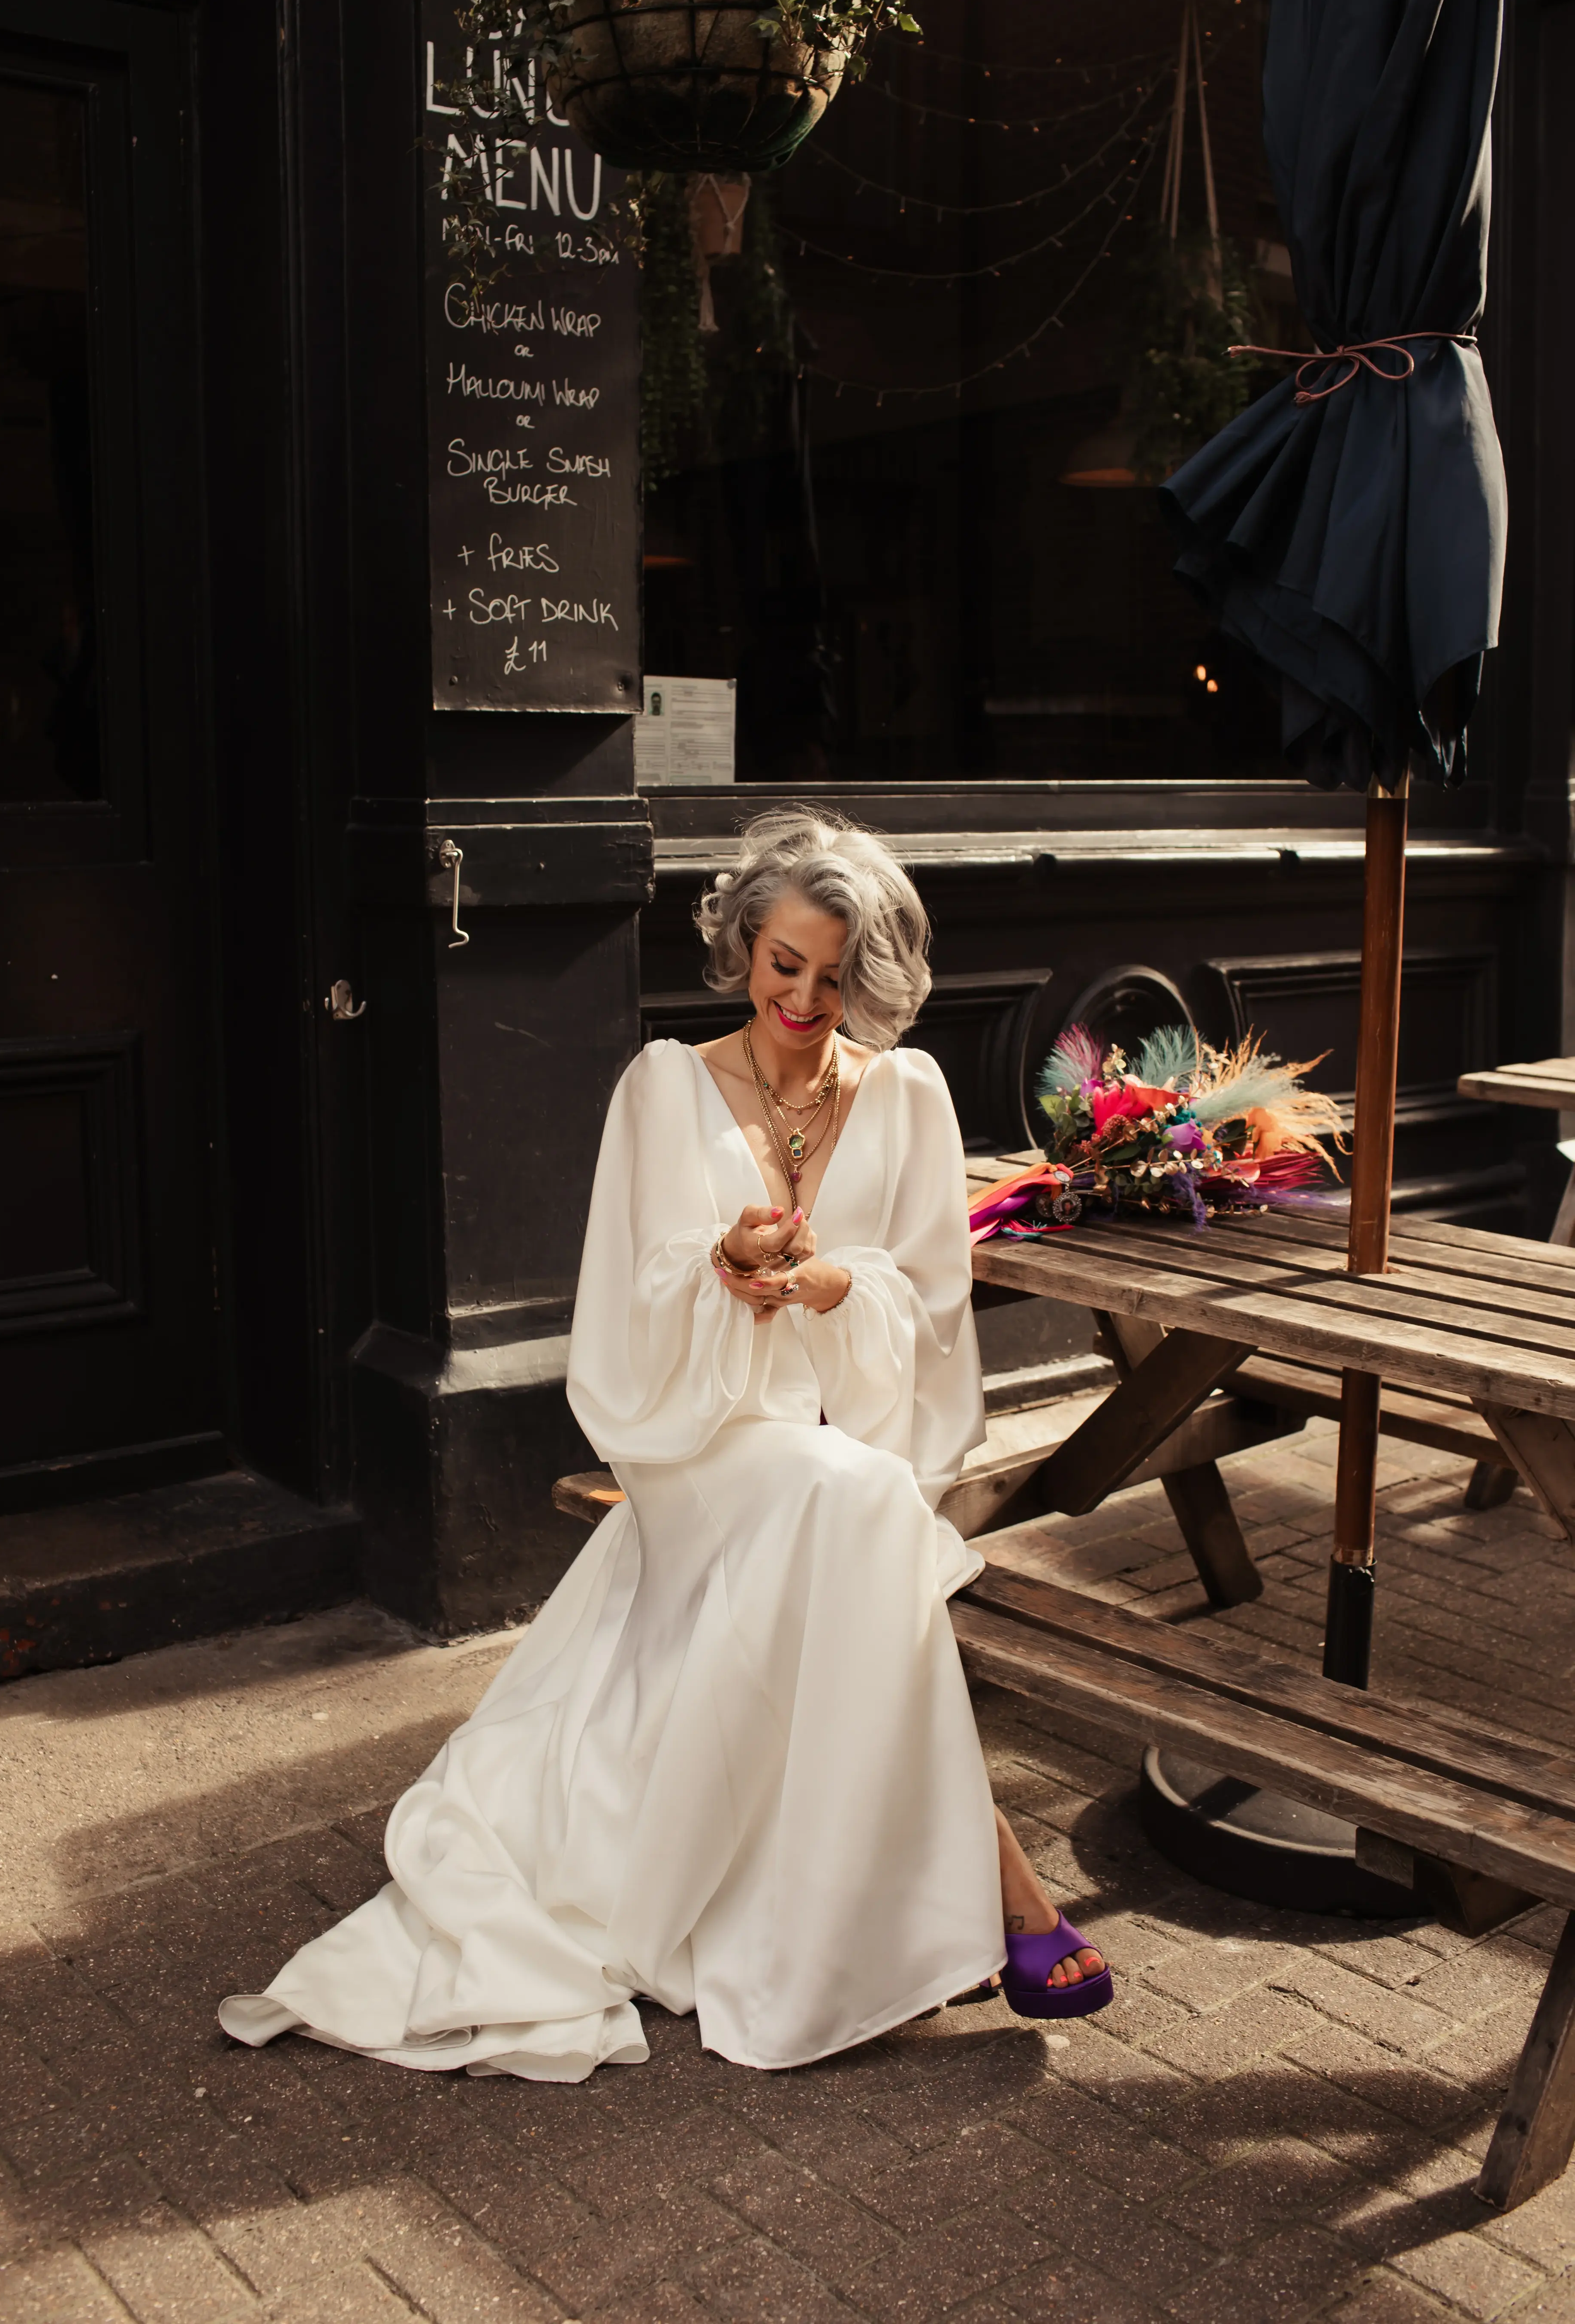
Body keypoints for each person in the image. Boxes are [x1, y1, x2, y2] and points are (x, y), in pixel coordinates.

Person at [219, 806, 1109, 2084]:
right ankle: (1009, 1887)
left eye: (831, 973)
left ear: (869, 976)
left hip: (840, 1445)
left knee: (851, 1504)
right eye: (781, 961)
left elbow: (928, 1300)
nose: (801, 995)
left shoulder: (905, 1096)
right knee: (849, 1511)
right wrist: (725, 1273)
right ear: (743, 945)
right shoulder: (665, 1085)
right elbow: (627, 1302)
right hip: (701, 1441)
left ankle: (948, 1898)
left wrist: (833, 1288)